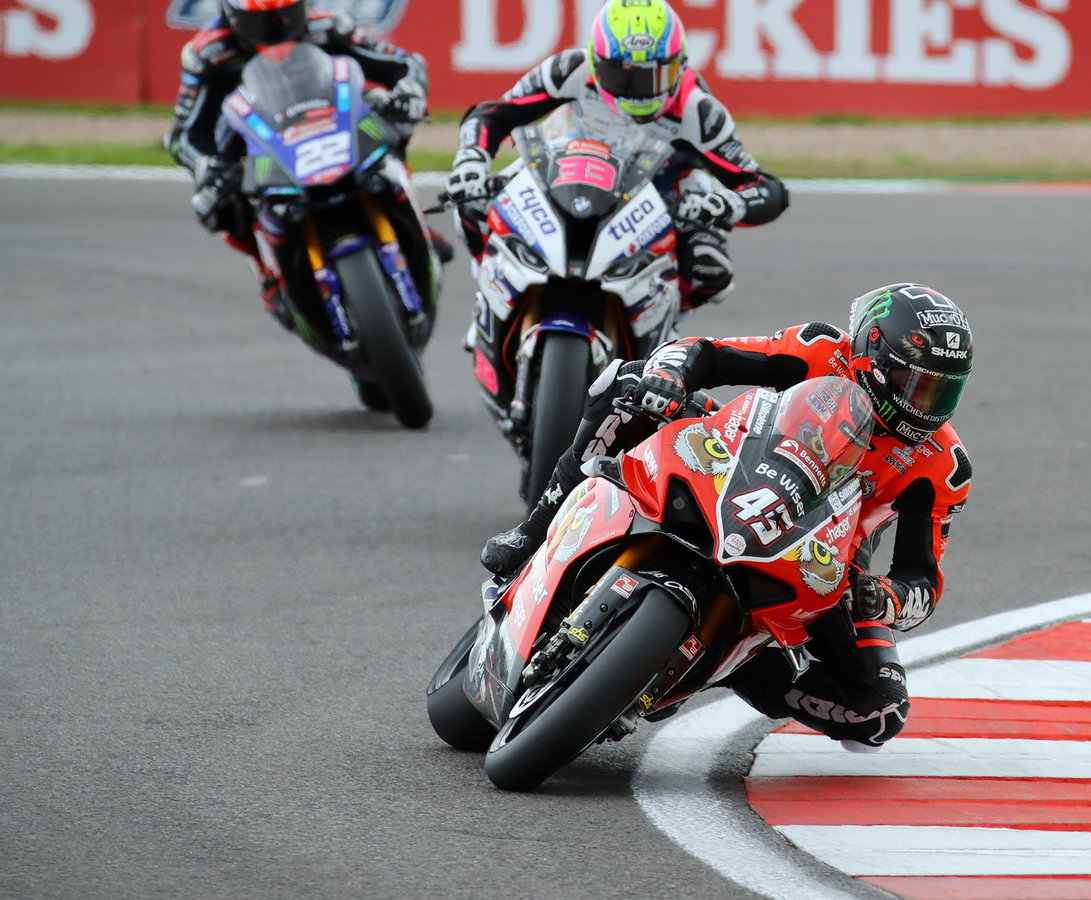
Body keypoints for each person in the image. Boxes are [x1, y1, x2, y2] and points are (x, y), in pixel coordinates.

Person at [481, 283, 974, 750]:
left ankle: (738, 659)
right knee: (625, 383)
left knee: (878, 714)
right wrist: (669, 376)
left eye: (940, 391)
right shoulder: (823, 350)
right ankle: (533, 533)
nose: (925, 405)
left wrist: (883, 599)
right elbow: (707, 353)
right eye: (914, 382)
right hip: (733, 458)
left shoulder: (942, 465)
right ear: (871, 354)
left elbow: (922, 580)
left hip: (824, 559)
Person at [444, 0, 789, 312]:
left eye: (657, 74)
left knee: (709, 266)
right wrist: (471, 160)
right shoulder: (568, 68)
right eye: (621, 75)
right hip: (560, 167)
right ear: (596, 63)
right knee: (472, 202)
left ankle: (660, 327)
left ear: (681, 66)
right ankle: (492, 292)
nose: (639, 91)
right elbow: (492, 114)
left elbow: (765, 187)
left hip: (659, 189)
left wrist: (727, 204)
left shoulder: (698, 109)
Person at [166, 0, 436, 328]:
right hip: (258, 145)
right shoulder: (208, 54)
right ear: (234, 16)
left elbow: (402, 63)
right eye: (264, 21)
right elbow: (184, 134)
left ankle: (415, 217)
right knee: (217, 199)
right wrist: (207, 166)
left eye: (288, 14)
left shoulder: (327, 27)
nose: (279, 27)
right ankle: (267, 271)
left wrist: (409, 91)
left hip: (331, 125)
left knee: (385, 116)